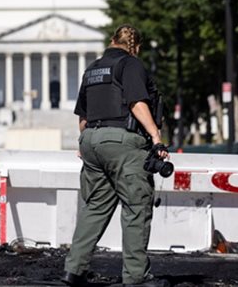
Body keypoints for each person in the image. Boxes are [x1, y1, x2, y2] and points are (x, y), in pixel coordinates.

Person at [63, 24, 169, 287]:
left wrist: (88, 144)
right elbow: (137, 103)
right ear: (136, 46)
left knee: (96, 206)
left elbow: (83, 116)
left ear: (111, 41)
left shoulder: (92, 69)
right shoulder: (130, 64)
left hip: (91, 140)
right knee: (136, 206)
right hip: (122, 140)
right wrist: (156, 137)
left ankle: (74, 270)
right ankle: (135, 277)